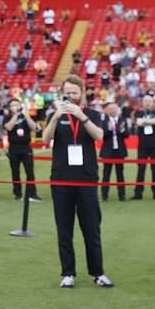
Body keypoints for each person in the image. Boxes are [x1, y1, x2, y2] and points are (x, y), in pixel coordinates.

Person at [42, 75, 114, 288]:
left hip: (87, 180)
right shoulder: (55, 114)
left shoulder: (91, 114)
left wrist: (82, 117)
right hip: (61, 180)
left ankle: (98, 273)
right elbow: (45, 140)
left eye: (74, 92)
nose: (70, 96)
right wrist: (55, 117)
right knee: (64, 230)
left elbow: (99, 135)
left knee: (92, 229)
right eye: (67, 92)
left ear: (81, 93)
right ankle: (68, 273)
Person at [3, 98, 42, 201]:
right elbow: (8, 127)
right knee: (15, 171)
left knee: (30, 171)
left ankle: (32, 194)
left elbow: (35, 128)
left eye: (17, 105)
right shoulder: (7, 117)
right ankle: (18, 194)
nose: (15, 107)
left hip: (26, 146)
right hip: (14, 147)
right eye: (13, 105)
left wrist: (26, 115)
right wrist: (15, 115)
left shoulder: (25, 116)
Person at [132, 95, 155, 200]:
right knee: (141, 169)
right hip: (142, 146)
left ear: (152, 102)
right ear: (142, 102)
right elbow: (138, 122)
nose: (147, 103)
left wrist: (144, 122)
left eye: (149, 101)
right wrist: (150, 121)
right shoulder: (139, 112)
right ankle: (138, 193)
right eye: (145, 101)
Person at [99, 102, 129, 201]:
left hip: (119, 151)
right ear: (107, 111)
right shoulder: (103, 121)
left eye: (114, 109)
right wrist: (109, 128)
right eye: (110, 109)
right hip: (108, 151)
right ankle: (104, 195)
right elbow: (102, 135)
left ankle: (122, 195)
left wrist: (122, 129)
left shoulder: (122, 120)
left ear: (117, 109)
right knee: (106, 174)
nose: (112, 111)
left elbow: (127, 135)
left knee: (120, 174)